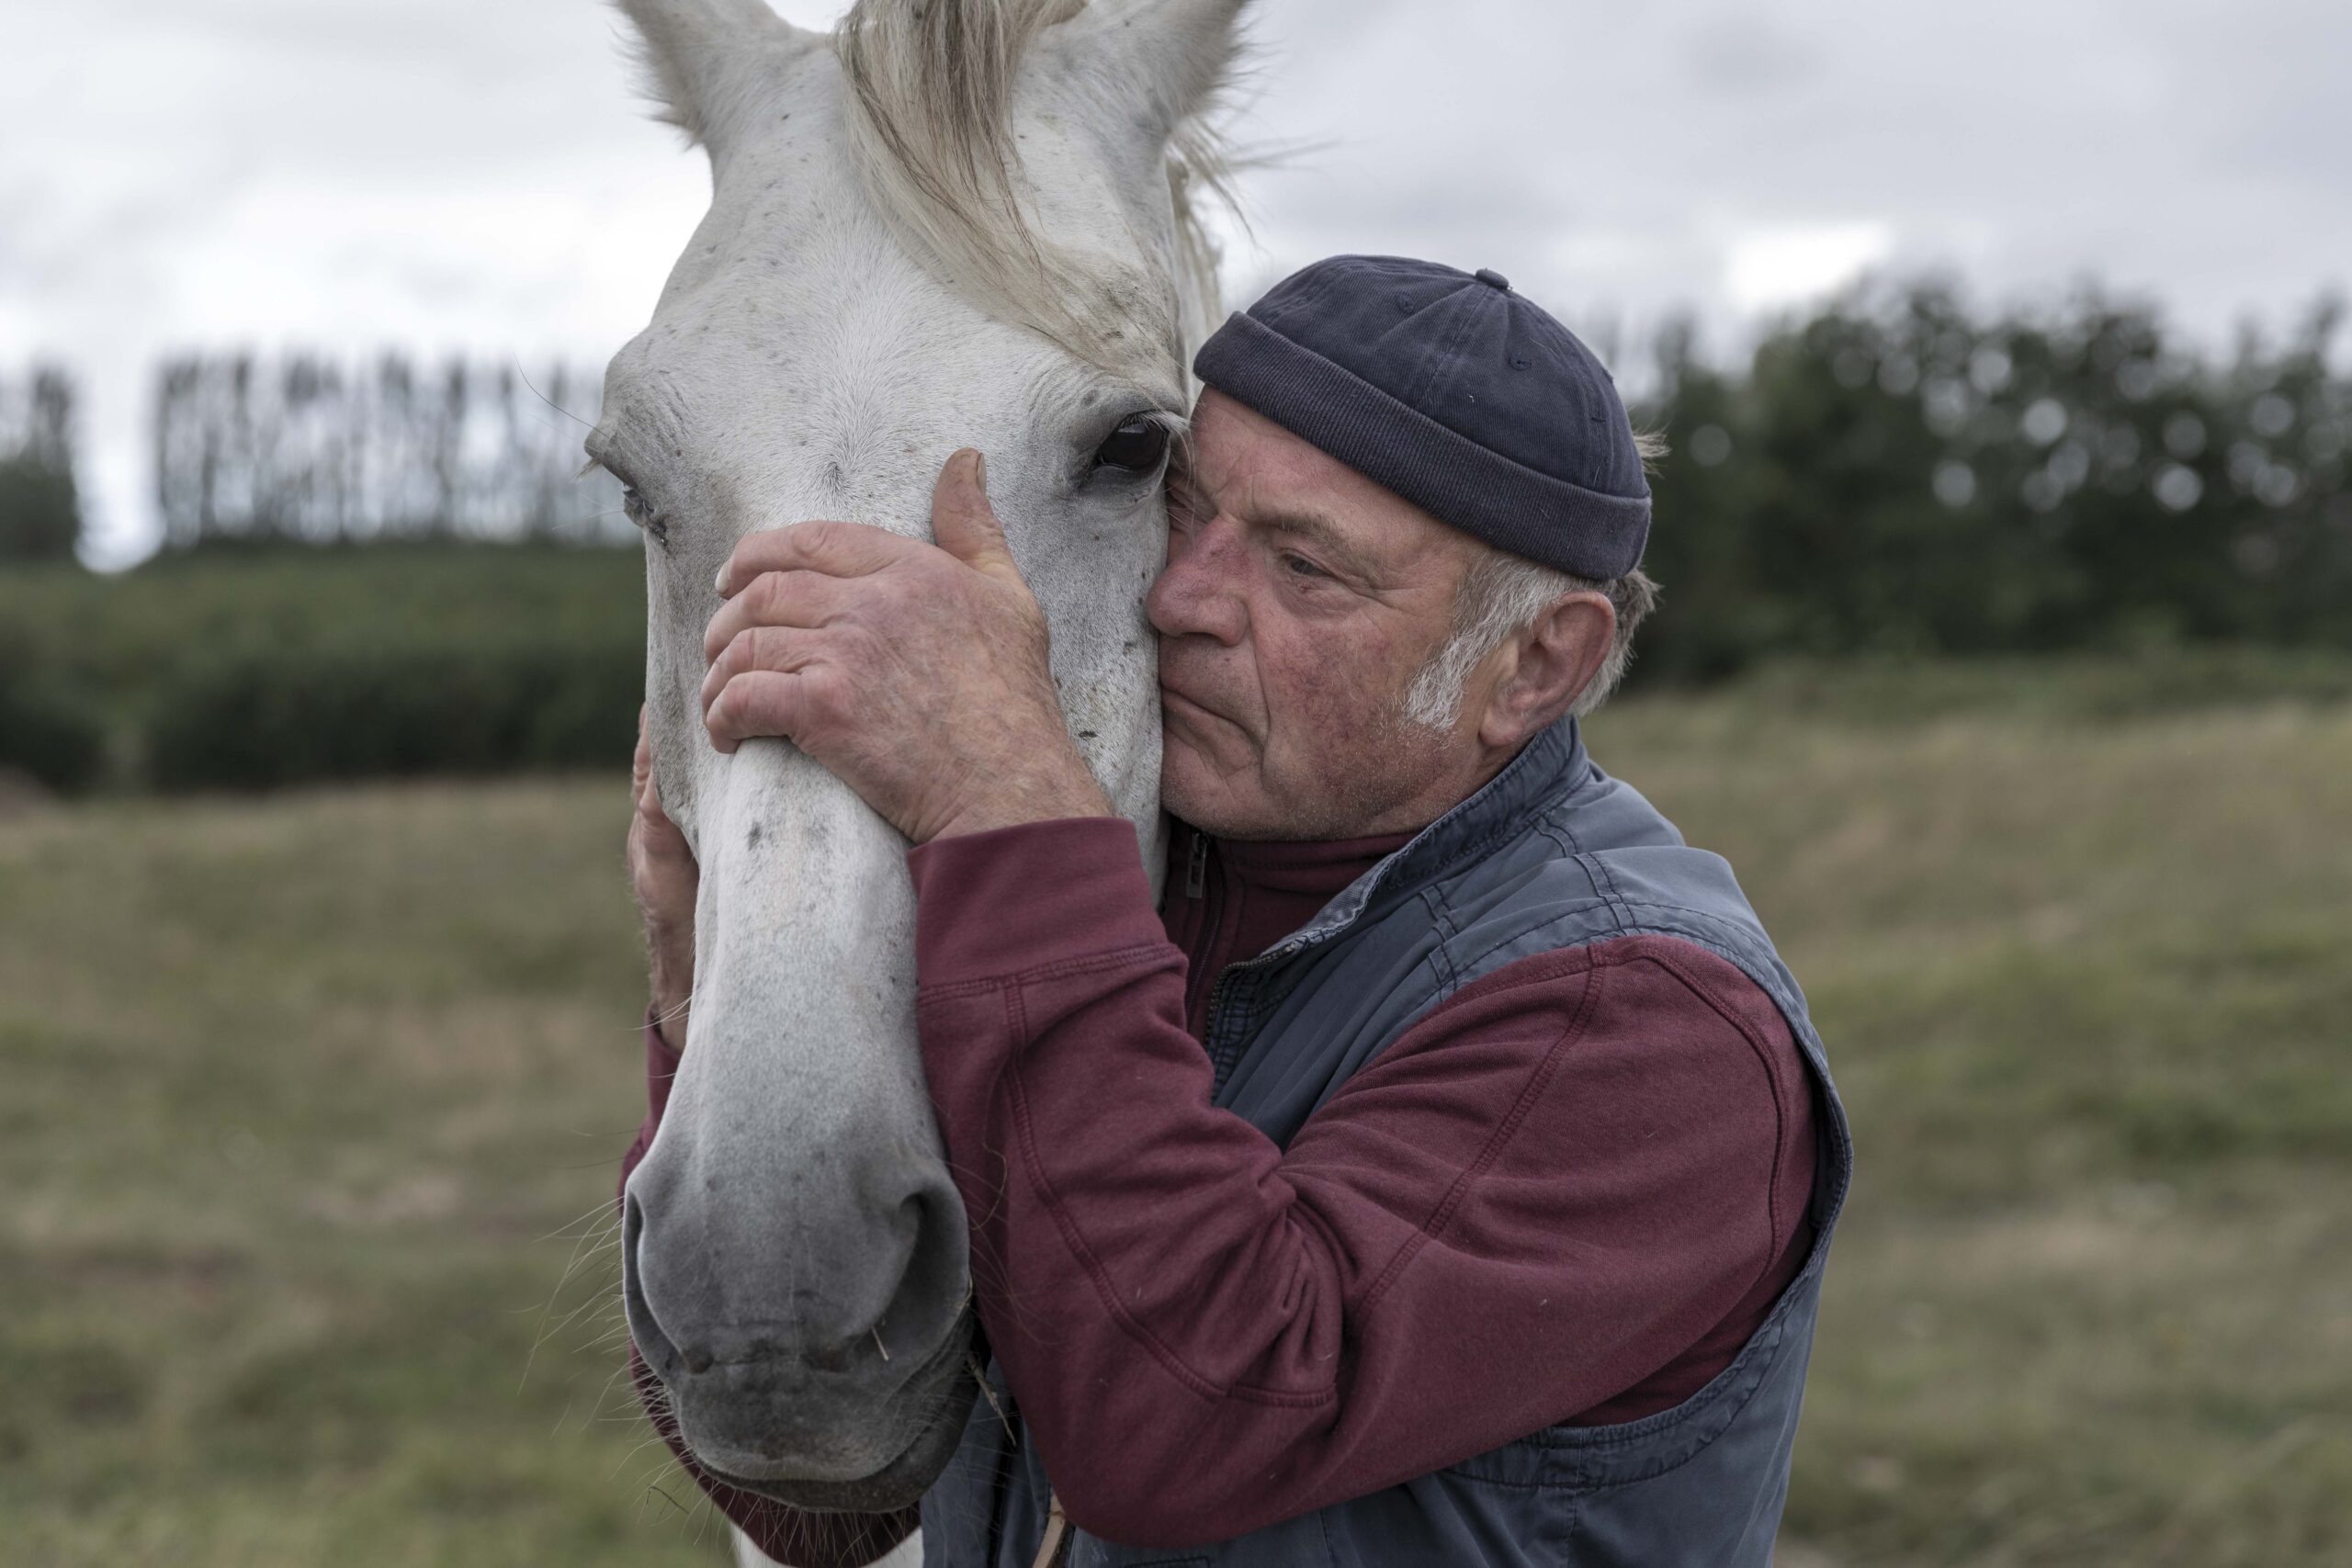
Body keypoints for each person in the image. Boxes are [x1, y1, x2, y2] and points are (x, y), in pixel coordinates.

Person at [622, 256, 1853, 1567]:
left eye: (1306, 568)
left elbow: (1183, 1420)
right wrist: (713, 1023)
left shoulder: (1653, 1023)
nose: (1182, 600)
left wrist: (1013, 811)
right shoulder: (1134, 891)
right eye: (1185, 511)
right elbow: (830, 1503)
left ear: (1536, 664)